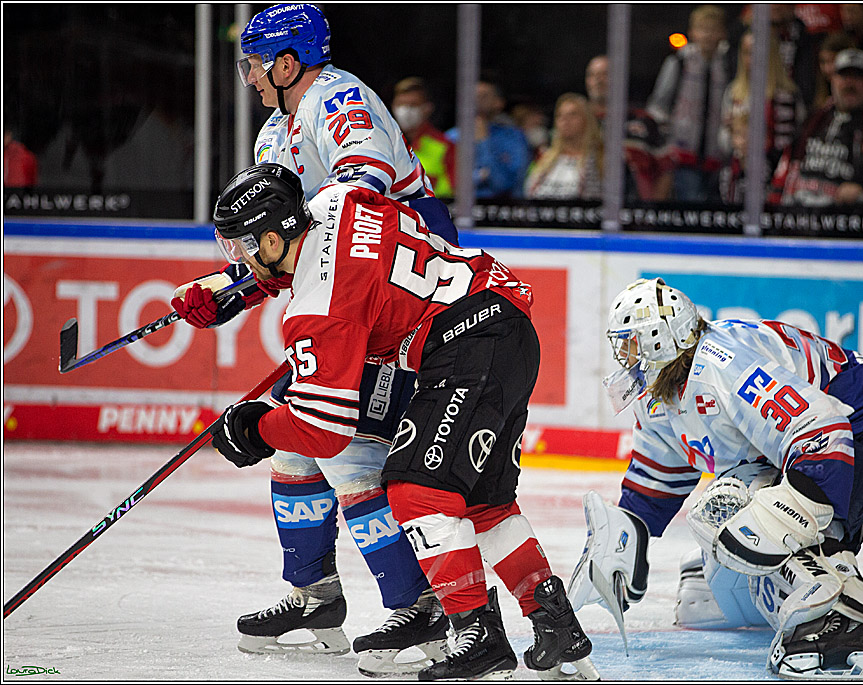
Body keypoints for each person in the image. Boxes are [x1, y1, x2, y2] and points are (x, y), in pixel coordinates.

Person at [207, 162, 599, 682]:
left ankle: (477, 633)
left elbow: (325, 429)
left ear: (275, 239)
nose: (239, 261)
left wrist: (255, 428)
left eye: (241, 248)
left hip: (465, 343)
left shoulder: (318, 309)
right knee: (485, 503)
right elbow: (403, 198)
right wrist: (237, 291)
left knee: (417, 492)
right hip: (504, 321)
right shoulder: (335, 198)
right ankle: (557, 627)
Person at [171, 4, 458, 676]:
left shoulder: (341, 99)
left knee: (347, 451)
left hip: (397, 301)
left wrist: (259, 289)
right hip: (348, 294)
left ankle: (421, 608)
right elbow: (286, 244)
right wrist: (232, 286)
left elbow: (361, 203)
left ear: (288, 62)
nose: (247, 76)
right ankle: (316, 597)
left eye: (253, 61)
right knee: (297, 449)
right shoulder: (274, 133)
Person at [569, 277, 863, 680]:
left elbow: (821, 429)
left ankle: (841, 617)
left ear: (659, 341)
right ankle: (776, 583)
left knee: (735, 509)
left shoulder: (721, 365)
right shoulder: (661, 388)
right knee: (726, 542)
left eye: (630, 342)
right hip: (814, 444)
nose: (623, 355)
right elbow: (659, 473)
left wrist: (785, 519)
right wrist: (625, 541)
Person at [768, 48, 863, 207]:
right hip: (797, 213)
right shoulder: (813, 120)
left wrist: (861, 193)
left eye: (858, 77)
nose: (850, 83)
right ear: (832, 79)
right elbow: (786, 166)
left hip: (843, 218)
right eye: (844, 75)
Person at [646, 5, 730, 202]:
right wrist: (666, 145)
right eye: (703, 29)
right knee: (689, 203)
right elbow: (659, 104)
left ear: (723, 33)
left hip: (717, 156)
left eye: (713, 29)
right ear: (692, 33)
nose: (708, 35)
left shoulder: (728, 65)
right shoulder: (679, 62)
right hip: (682, 154)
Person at [719, 30, 806, 174]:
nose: (752, 60)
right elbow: (723, 141)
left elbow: (798, 137)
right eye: (747, 53)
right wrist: (730, 133)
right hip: (739, 170)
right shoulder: (733, 92)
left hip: (778, 171)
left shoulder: (789, 94)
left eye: (758, 53)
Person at [584, 54, 668, 201]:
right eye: (593, 75)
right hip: (587, 210)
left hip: (636, 209)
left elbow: (665, 168)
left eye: (605, 74)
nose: (598, 80)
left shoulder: (643, 120)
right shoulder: (577, 120)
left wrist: (653, 209)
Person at [446, 76, 531, 199]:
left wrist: (483, 142)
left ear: (499, 102)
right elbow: (451, 184)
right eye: (473, 95)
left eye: (483, 96)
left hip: (501, 211)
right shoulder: (452, 137)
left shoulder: (513, 138)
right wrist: (481, 176)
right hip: (458, 210)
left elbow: (504, 184)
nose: (476, 100)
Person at [524, 93, 603, 200]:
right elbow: (528, 193)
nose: (565, 120)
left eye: (573, 114)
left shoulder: (601, 158)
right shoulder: (544, 157)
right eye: (559, 115)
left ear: (586, 119)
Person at [392, 77, 457, 199]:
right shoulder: (383, 143)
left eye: (412, 105)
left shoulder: (445, 146)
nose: (405, 111)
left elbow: (456, 192)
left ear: (427, 109)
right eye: (400, 105)